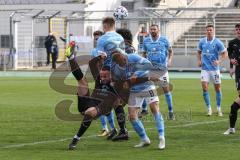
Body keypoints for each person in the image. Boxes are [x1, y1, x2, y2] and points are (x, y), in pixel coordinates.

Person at [112, 50, 166, 150]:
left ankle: (161, 137)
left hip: (147, 86)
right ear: (117, 62)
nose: (124, 61)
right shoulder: (117, 69)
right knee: (132, 116)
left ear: (124, 55)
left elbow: (148, 64)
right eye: (121, 61)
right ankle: (144, 139)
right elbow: (120, 82)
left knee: (154, 108)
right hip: (134, 90)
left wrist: (137, 73)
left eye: (124, 58)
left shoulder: (133, 57)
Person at [142, 24, 175, 120]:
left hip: (162, 70)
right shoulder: (146, 41)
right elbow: (144, 53)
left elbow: (170, 51)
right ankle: (144, 109)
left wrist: (169, 60)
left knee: (166, 90)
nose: (152, 31)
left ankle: (171, 112)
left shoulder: (164, 40)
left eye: (154, 29)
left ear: (158, 30)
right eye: (151, 29)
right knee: (145, 88)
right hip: (150, 69)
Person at [197, 24, 228, 116]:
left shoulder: (218, 42)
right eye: (207, 30)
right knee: (204, 88)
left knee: (217, 89)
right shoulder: (202, 41)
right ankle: (209, 109)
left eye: (210, 30)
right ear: (205, 31)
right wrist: (199, 60)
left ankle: (219, 109)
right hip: (204, 69)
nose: (209, 32)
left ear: (213, 31)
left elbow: (225, 53)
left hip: (214, 69)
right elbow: (198, 51)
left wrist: (219, 61)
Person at [91, 30, 116, 137]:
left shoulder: (109, 51)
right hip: (99, 79)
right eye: (95, 39)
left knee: (109, 104)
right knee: (99, 103)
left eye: (98, 39)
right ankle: (105, 128)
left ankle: (113, 128)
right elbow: (93, 64)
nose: (96, 40)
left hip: (109, 79)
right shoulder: (94, 51)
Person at [224, 23, 240, 135]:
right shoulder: (232, 43)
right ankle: (232, 128)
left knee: (234, 106)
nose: (238, 31)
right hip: (238, 72)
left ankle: (231, 128)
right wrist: (231, 66)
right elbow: (230, 55)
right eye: (237, 29)